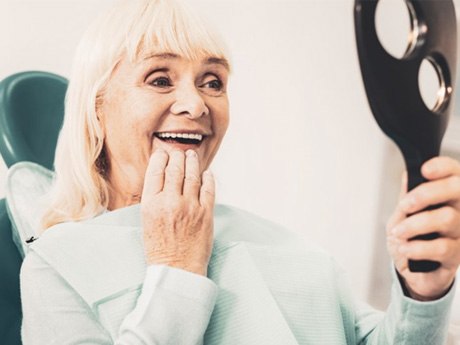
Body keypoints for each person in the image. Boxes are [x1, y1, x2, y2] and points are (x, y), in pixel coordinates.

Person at [18, 0, 460, 344]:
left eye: (213, 81)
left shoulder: (282, 242)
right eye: (160, 79)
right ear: (96, 108)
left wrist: (422, 291)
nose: (196, 105)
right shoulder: (56, 265)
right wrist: (177, 269)